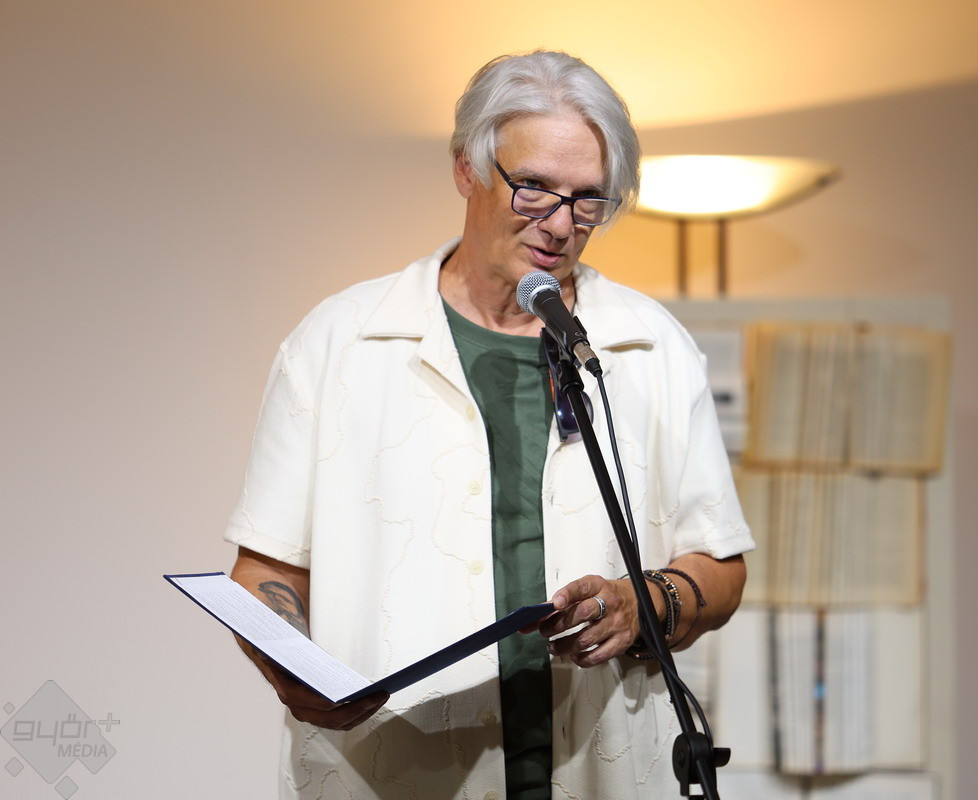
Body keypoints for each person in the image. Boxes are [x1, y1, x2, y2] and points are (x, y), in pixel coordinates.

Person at [226, 50, 754, 800]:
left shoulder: (651, 345)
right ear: (465, 168)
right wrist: (288, 668)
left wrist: (641, 604)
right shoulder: (338, 342)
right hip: (386, 770)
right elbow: (265, 571)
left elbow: (721, 568)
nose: (561, 225)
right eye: (533, 187)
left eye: (588, 200)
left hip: (598, 767)